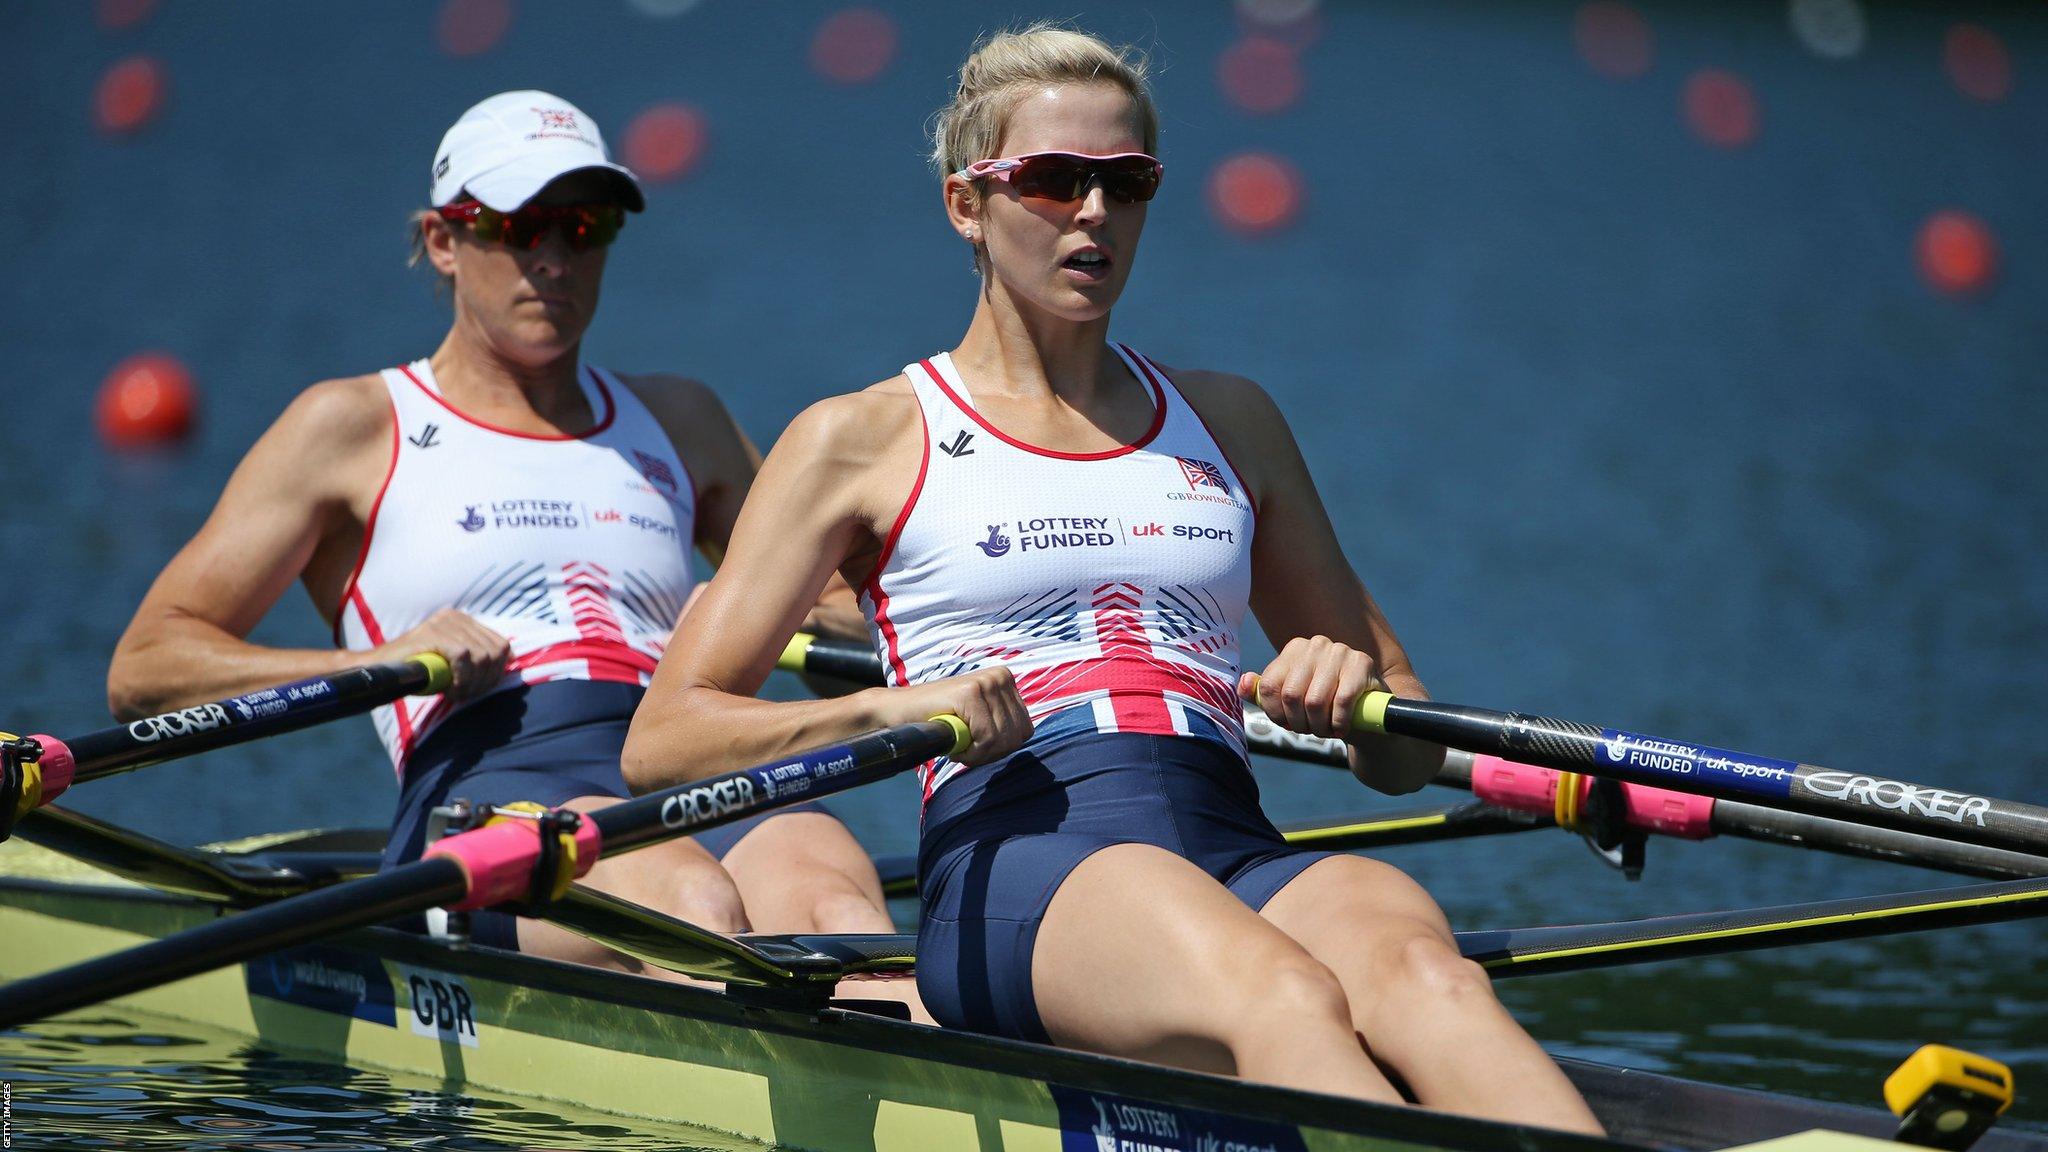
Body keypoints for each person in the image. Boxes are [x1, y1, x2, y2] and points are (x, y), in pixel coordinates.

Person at [619, 27, 1602, 1131]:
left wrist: (1346, 694)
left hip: (1230, 839)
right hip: (1020, 868)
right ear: (965, 206)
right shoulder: (859, 440)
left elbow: (1406, 746)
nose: (1091, 212)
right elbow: (666, 741)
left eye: (1124, 183)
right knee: (1280, 992)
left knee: (1433, 984)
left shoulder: (1230, 421)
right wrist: (890, 709)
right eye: (1049, 180)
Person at [107, 90, 905, 980]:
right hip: (488, 788)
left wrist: (749, 611)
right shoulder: (353, 427)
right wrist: (379, 663)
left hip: (688, 751)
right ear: (444, 241)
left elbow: (847, 610)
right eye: (520, 227)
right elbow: (146, 668)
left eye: (583, 226)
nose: (555, 259)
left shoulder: (682, 419)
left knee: (837, 905)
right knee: (692, 905)